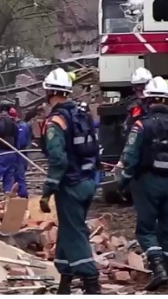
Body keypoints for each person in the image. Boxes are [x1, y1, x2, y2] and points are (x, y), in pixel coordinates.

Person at [118, 76, 168, 290]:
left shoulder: (141, 126)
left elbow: (130, 157)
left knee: (146, 229)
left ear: (148, 100)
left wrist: (123, 182)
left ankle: (158, 268)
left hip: (146, 181)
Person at [38, 68, 101, 294]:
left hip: (70, 186)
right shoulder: (83, 115)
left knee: (75, 233)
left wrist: (48, 190)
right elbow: (95, 150)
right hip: (88, 182)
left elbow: (58, 159)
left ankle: (92, 283)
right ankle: (65, 281)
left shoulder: (56, 121)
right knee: (67, 229)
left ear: (50, 92)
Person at [13, 107, 31, 199]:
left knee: (20, 176)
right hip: (18, 154)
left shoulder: (22, 126)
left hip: (20, 154)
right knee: (15, 176)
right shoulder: (18, 125)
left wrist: (15, 147)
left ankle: (23, 196)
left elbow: (21, 141)